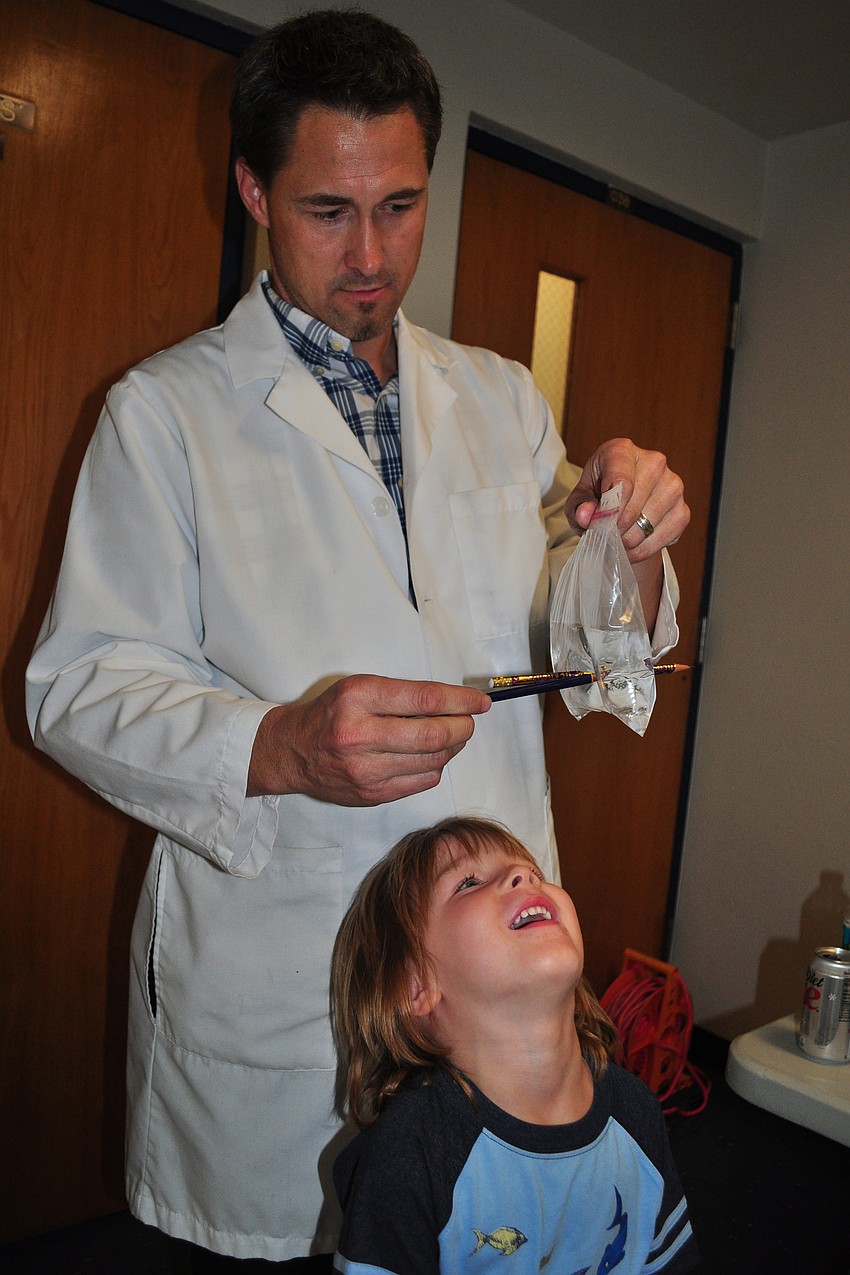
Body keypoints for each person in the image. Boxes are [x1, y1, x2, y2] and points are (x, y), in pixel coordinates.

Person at [24, 8, 689, 1267]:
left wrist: (627, 542)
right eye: (330, 209)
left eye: (401, 205)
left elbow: (585, 641)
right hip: (285, 970)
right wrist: (273, 745)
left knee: (477, 1237)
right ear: (255, 193)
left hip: (484, 996)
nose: (373, 253)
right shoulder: (163, 416)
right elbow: (78, 686)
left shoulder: (497, 396)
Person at [330, 816, 700, 1274]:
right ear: (416, 985)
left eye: (534, 871)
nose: (524, 876)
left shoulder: (636, 1113)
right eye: (468, 882)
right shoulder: (408, 1155)